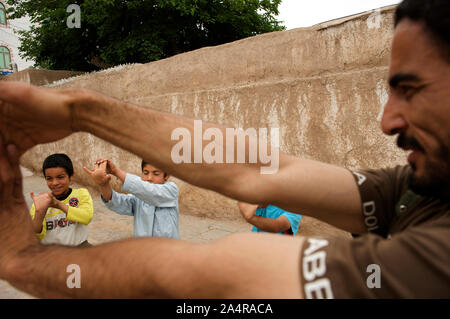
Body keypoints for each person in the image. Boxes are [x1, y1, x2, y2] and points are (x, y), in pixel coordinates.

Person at [0, 0, 448, 298]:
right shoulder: (426, 189)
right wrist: (82, 110)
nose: (387, 119)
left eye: (411, 89)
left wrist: (24, 262)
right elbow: (255, 167)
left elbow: (225, 270)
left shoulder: (435, 257)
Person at [83, 158, 179, 239]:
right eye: (145, 173)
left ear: (167, 176)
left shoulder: (171, 190)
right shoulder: (139, 196)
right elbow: (117, 202)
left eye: (156, 174)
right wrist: (103, 185)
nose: (149, 178)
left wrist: (116, 171)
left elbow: (150, 191)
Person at [29, 153, 94, 247]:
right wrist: (39, 212)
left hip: (80, 246)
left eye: (60, 177)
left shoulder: (81, 194)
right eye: (49, 179)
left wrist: (58, 205)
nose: (54, 183)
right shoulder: (40, 203)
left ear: (71, 176)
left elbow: (86, 217)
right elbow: (36, 235)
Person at [238, 202, 302, 236]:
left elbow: (277, 225)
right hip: (256, 243)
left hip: (278, 251)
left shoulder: (296, 209)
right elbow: (242, 200)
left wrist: (251, 218)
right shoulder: (266, 199)